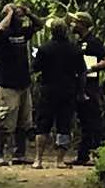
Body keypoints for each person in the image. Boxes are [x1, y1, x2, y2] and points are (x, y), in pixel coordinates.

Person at [32, 13, 89, 168]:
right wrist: (81, 92)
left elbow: (35, 68)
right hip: (68, 91)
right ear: (66, 31)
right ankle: (60, 160)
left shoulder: (44, 49)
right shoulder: (75, 49)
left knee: (43, 124)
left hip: (48, 90)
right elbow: (82, 72)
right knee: (64, 125)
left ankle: (38, 159)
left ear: (52, 31)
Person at [0, 0, 38, 165]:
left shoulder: (21, 33)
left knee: (23, 122)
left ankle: (20, 154)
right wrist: (9, 13)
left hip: (23, 83)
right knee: (2, 122)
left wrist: (28, 13)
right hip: (7, 85)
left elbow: (38, 25)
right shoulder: (3, 35)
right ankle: (0, 155)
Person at [73, 34, 105, 163]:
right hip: (79, 86)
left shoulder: (93, 42)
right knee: (84, 122)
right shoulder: (78, 42)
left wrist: (91, 68)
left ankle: (96, 154)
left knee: (93, 121)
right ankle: (83, 155)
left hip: (90, 87)